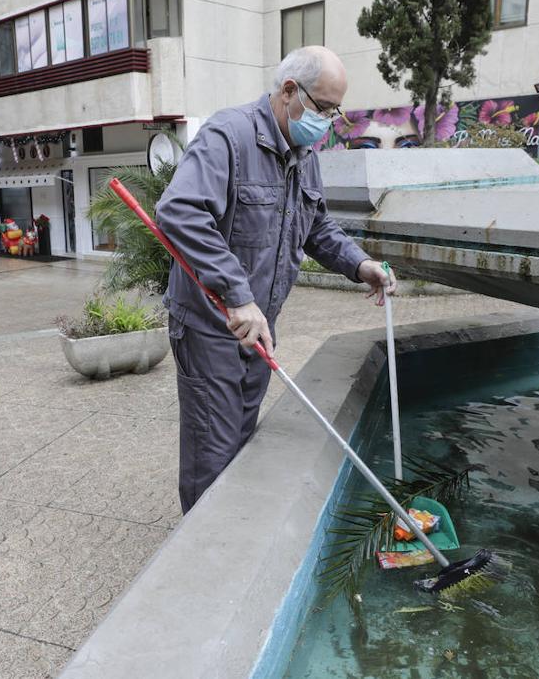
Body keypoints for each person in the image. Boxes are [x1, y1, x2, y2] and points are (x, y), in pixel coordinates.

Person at [155, 45, 396, 513]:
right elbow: (179, 211)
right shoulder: (229, 136)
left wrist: (359, 264)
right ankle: (203, 559)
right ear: (289, 91)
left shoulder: (304, 154)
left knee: (242, 445)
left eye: (334, 111)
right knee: (214, 454)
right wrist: (237, 294)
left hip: (257, 329)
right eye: (323, 108)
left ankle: (231, 540)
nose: (327, 121)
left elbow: (317, 226)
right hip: (212, 326)